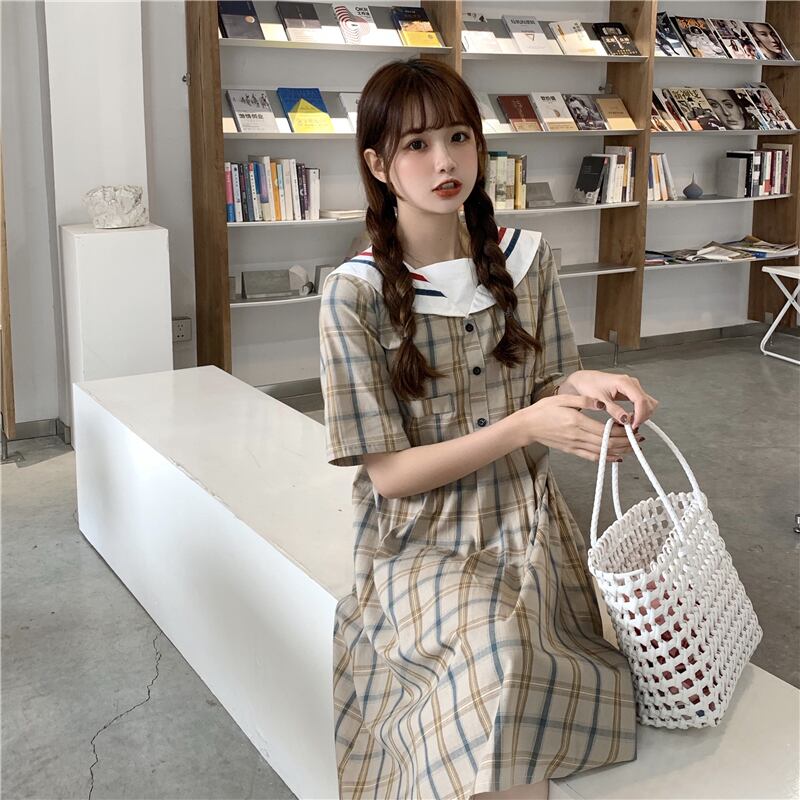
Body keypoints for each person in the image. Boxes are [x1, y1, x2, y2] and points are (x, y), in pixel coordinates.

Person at [319, 58, 659, 800]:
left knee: (522, 667)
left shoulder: (527, 259)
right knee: (496, 654)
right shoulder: (354, 294)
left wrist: (587, 387)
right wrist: (524, 427)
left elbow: (549, 380)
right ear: (377, 164)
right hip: (418, 544)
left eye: (458, 137)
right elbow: (391, 477)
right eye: (416, 146)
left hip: (526, 525)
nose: (444, 162)